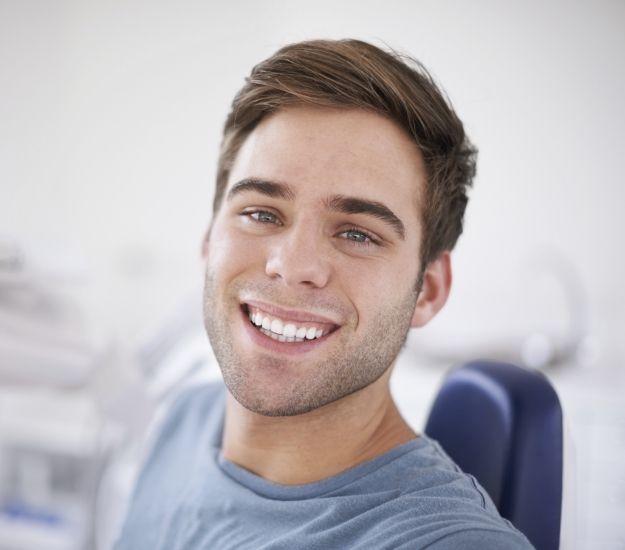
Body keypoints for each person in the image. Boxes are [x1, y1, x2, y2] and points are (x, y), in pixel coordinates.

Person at [113, 39, 534, 549]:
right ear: (209, 238)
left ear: (428, 290)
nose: (291, 266)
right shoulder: (186, 419)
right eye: (261, 213)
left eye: (357, 233)